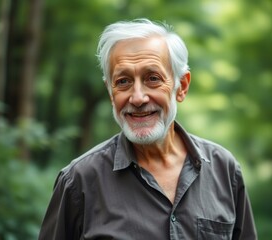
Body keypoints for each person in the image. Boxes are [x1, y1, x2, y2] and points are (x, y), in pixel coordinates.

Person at [38, 18, 257, 240]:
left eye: (153, 78)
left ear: (181, 86)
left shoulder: (224, 169)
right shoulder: (78, 181)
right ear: (110, 93)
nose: (138, 98)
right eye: (123, 82)